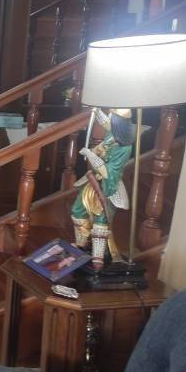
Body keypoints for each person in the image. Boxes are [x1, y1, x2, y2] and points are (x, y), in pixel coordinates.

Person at [71, 108, 135, 270]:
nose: (109, 120)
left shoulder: (124, 147)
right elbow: (105, 122)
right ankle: (81, 244)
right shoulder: (112, 134)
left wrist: (90, 155)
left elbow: (108, 172)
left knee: (101, 219)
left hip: (108, 186)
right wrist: (97, 110)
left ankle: (97, 257)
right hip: (92, 181)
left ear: (119, 123)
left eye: (113, 118)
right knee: (77, 210)